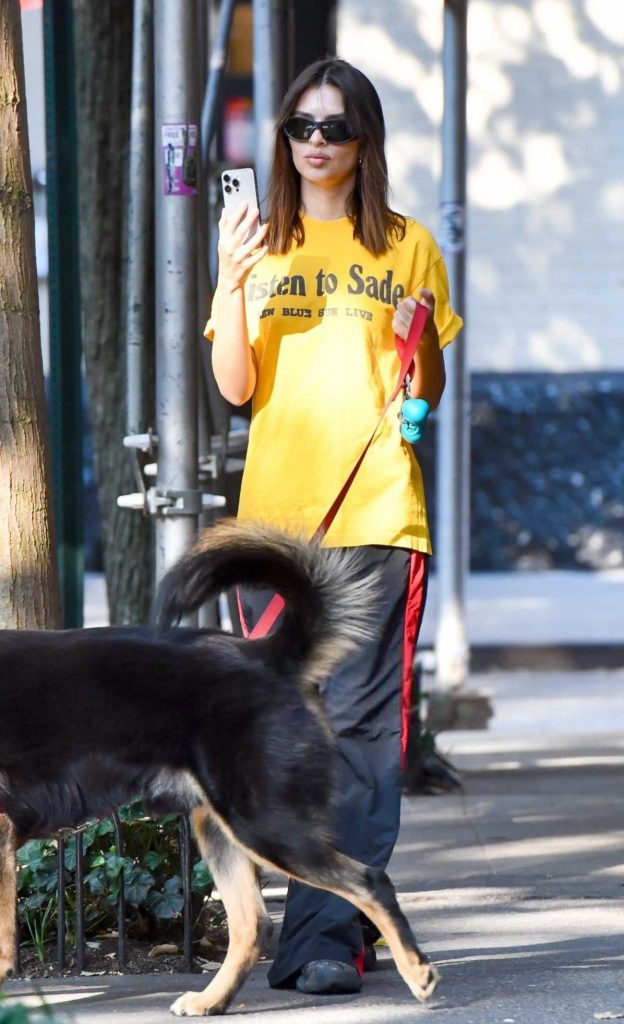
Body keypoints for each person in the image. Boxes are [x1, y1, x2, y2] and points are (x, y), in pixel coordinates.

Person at [206, 57, 462, 996]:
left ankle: (324, 938)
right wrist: (232, 281)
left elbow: (423, 391)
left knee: (358, 730)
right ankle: (348, 909)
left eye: (336, 127)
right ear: (284, 139)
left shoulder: (408, 245)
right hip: (275, 532)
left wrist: (419, 335)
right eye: (301, 128)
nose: (317, 144)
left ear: (366, 140)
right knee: (281, 725)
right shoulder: (259, 244)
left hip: (377, 517)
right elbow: (237, 390)